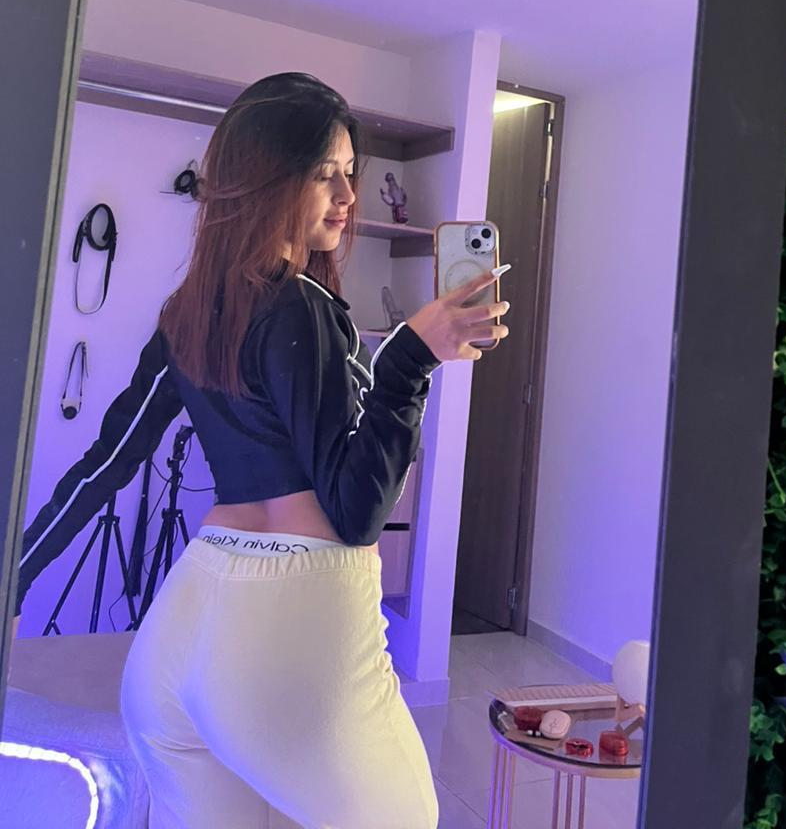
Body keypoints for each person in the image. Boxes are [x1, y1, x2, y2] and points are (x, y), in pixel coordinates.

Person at [10, 72, 509, 829]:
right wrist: (411, 357)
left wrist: (15, 578)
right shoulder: (303, 306)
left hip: (179, 637)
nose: (348, 197)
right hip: (289, 622)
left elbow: (106, 465)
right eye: (324, 174)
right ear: (267, 178)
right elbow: (356, 511)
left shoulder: (187, 312)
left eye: (351, 173)